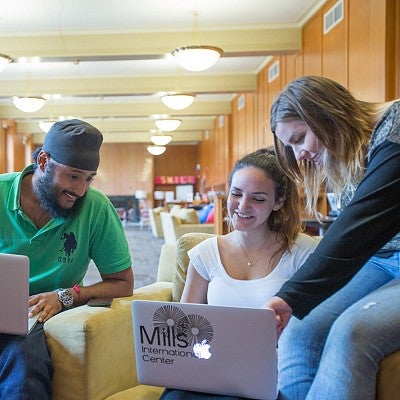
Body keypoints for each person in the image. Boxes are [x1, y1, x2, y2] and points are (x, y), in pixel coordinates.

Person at [264, 76, 400, 400]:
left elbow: (361, 224)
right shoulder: (347, 154)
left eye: (300, 139)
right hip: (381, 262)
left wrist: (290, 295)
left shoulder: (395, 125)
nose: (300, 155)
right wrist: (295, 303)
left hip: (382, 258)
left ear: (327, 114)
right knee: (299, 328)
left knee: (351, 332)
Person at [160, 148, 319, 400]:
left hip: (273, 371)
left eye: (257, 199)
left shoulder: (303, 252)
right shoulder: (205, 254)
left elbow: (316, 328)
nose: (242, 207)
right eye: (236, 194)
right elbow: (184, 329)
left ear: (278, 202)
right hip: (211, 370)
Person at [0, 119, 134, 399]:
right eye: (73, 176)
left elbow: (122, 283)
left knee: (24, 367)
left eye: (89, 178)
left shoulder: (95, 208)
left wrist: (65, 296)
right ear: (44, 161)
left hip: (35, 319)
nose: (81, 190)